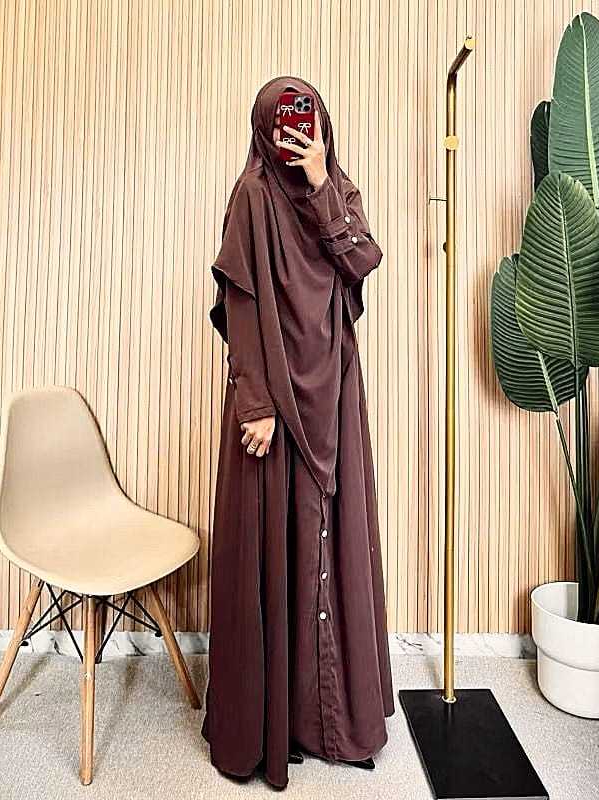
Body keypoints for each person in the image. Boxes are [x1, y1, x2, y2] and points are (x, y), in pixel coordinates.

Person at [202, 76, 393, 790]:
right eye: (283, 123)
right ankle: (270, 728)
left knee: (331, 545)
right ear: (264, 128)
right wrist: (255, 400)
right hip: (274, 403)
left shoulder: (334, 187)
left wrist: (318, 183)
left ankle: (331, 723)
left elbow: (362, 260)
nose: (296, 134)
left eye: (306, 122)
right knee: (274, 550)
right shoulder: (251, 196)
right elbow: (240, 303)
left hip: (333, 396)